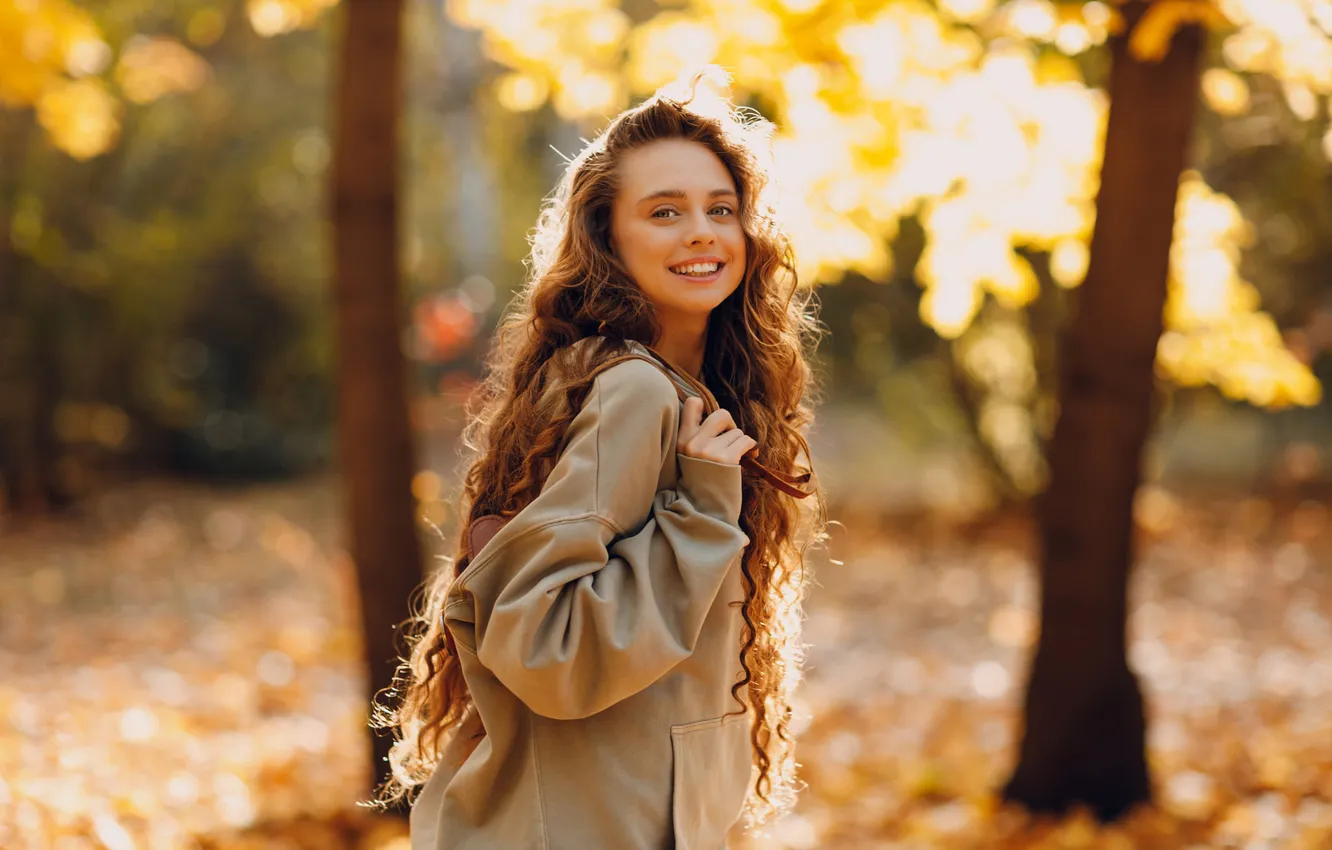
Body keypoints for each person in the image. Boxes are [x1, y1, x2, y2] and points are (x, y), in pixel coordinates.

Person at [377, 67, 828, 849]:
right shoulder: (633, 393)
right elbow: (548, 647)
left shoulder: (677, 391)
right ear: (607, 237)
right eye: (664, 212)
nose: (701, 232)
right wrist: (699, 511)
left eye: (721, 209)